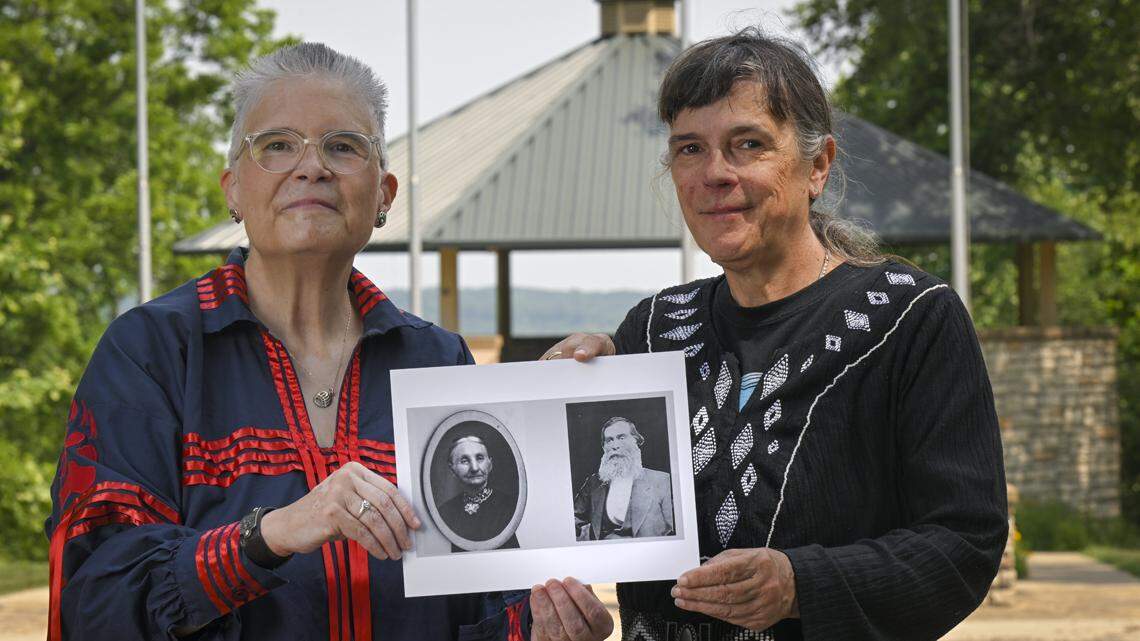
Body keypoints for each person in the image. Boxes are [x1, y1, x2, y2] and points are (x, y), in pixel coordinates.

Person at [45, 43, 612, 641]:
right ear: (233, 189)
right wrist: (271, 535)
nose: (311, 166)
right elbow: (96, 600)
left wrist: (542, 626)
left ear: (384, 195)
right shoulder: (151, 352)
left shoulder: (439, 360)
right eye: (278, 145)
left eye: (343, 146)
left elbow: (479, 607)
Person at [543, 27, 1008, 641]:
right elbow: (583, 521)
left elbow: (964, 542)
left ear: (817, 165)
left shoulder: (911, 319)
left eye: (748, 144)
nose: (715, 173)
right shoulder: (654, 330)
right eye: (689, 149)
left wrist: (801, 585)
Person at [573, 418, 674, 541]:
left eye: (621, 438)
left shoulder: (662, 480)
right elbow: (573, 519)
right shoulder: (593, 483)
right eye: (609, 440)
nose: (615, 446)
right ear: (604, 447)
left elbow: (674, 529)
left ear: (635, 441)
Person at [438, 435, 521, 550]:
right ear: (452, 469)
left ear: (490, 464)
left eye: (480, 458)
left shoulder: (511, 506)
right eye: (464, 460)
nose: (474, 468)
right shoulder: (444, 512)